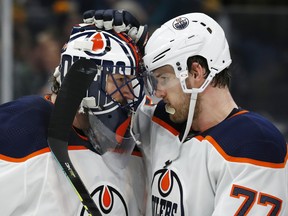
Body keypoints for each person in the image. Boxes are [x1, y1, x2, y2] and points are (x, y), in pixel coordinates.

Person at [132, 12, 288, 215]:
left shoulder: (254, 145)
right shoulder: (163, 119)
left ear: (196, 73)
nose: (158, 92)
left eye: (163, 78)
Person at [0, 22, 147, 215]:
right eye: (120, 80)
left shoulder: (134, 138)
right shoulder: (21, 127)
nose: (129, 93)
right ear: (86, 79)